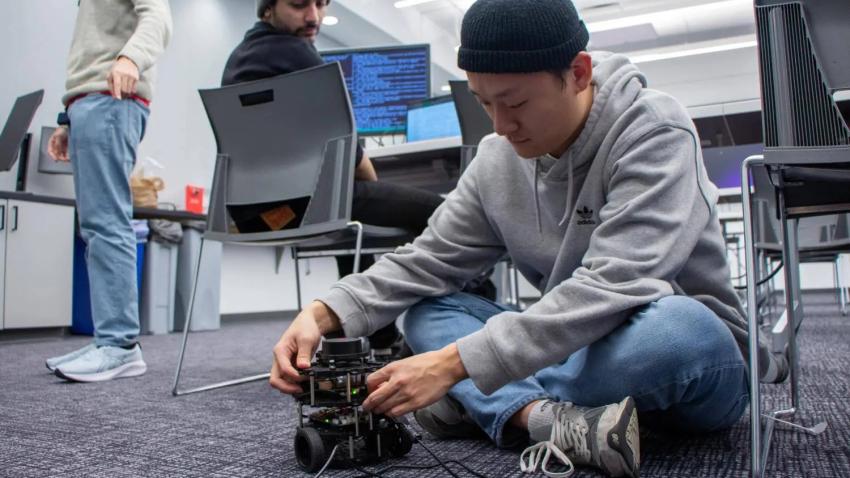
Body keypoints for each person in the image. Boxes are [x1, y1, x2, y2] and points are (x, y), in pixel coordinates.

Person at [271, 0, 789, 476]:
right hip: (570, 349)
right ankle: (542, 418)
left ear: (579, 74)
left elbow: (620, 282)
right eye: (483, 102)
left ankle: (489, 403)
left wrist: (455, 366)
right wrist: (323, 311)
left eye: (514, 102)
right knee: (429, 311)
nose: (500, 125)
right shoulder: (498, 157)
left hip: (676, 355)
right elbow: (426, 259)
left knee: (681, 329)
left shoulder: (654, 129)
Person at [222, 0, 486, 351]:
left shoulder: (239, 58)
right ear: (267, 9)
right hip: (303, 203)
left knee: (344, 217)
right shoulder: (296, 52)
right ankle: (475, 313)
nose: (313, 16)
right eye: (300, 5)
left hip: (252, 214)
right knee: (441, 212)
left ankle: (380, 336)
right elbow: (347, 144)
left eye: (320, 4)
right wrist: (374, 187)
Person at [45, 0, 172, 382]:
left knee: (106, 223)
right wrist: (69, 118)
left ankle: (118, 345)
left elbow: (159, 15)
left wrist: (131, 58)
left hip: (109, 100)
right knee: (96, 226)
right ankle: (109, 340)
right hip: (91, 102)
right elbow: (94, 45)